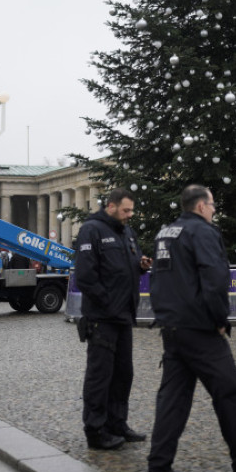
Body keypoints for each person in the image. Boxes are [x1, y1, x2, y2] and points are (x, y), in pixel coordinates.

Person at [146, 184, 236, 472]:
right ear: (201, 207)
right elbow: (215, 278)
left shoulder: (165, 233)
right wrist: (219, 319)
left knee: (172, 401)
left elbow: (158, 278)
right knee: (230, 394)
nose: (215, 209)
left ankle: (159, 467)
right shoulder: (203, 232)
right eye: (213, 204)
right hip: (200, 329)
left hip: (172, 328)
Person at [74, 188, 151, 451]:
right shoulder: (91, 230)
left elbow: (128, 263)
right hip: (102, 317)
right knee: (100, 376)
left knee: (123, 375)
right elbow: (85, 276)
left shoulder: (126, 231)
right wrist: (106, 302)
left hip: (123, 316)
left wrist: (140, 265)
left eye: (131, 210)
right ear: (111, 207)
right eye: (126, 210)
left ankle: (118, 424)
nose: (130, 215)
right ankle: (95, 431)